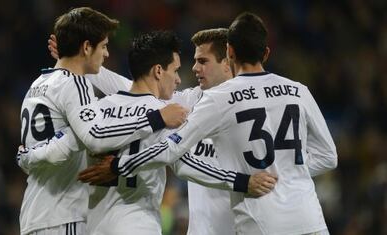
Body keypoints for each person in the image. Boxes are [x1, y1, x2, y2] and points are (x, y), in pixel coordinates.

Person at [111, 12, 338, 235]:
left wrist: (118, 165)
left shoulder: (221, 97)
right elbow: (328, 156)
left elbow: (172, 148)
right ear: (266, 53)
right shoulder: (298, 90)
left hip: (262, 221)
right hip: (310, 220)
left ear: (230, 52)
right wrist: (286, 170)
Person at [17, 7, 187, 235]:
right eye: (104, 46)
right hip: (63, 213)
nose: (106, 54)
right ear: (87, 47)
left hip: (34, 212)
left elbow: (48, 149)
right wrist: (156, 118)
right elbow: (95, 135)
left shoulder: (37, 84)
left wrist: (29, 156)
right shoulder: (75, 84)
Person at [186, 28, 235, 235]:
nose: (195, 68)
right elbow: (136, 91)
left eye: (203, 61)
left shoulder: (252, 104)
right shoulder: (190, 100)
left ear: (226, 62)